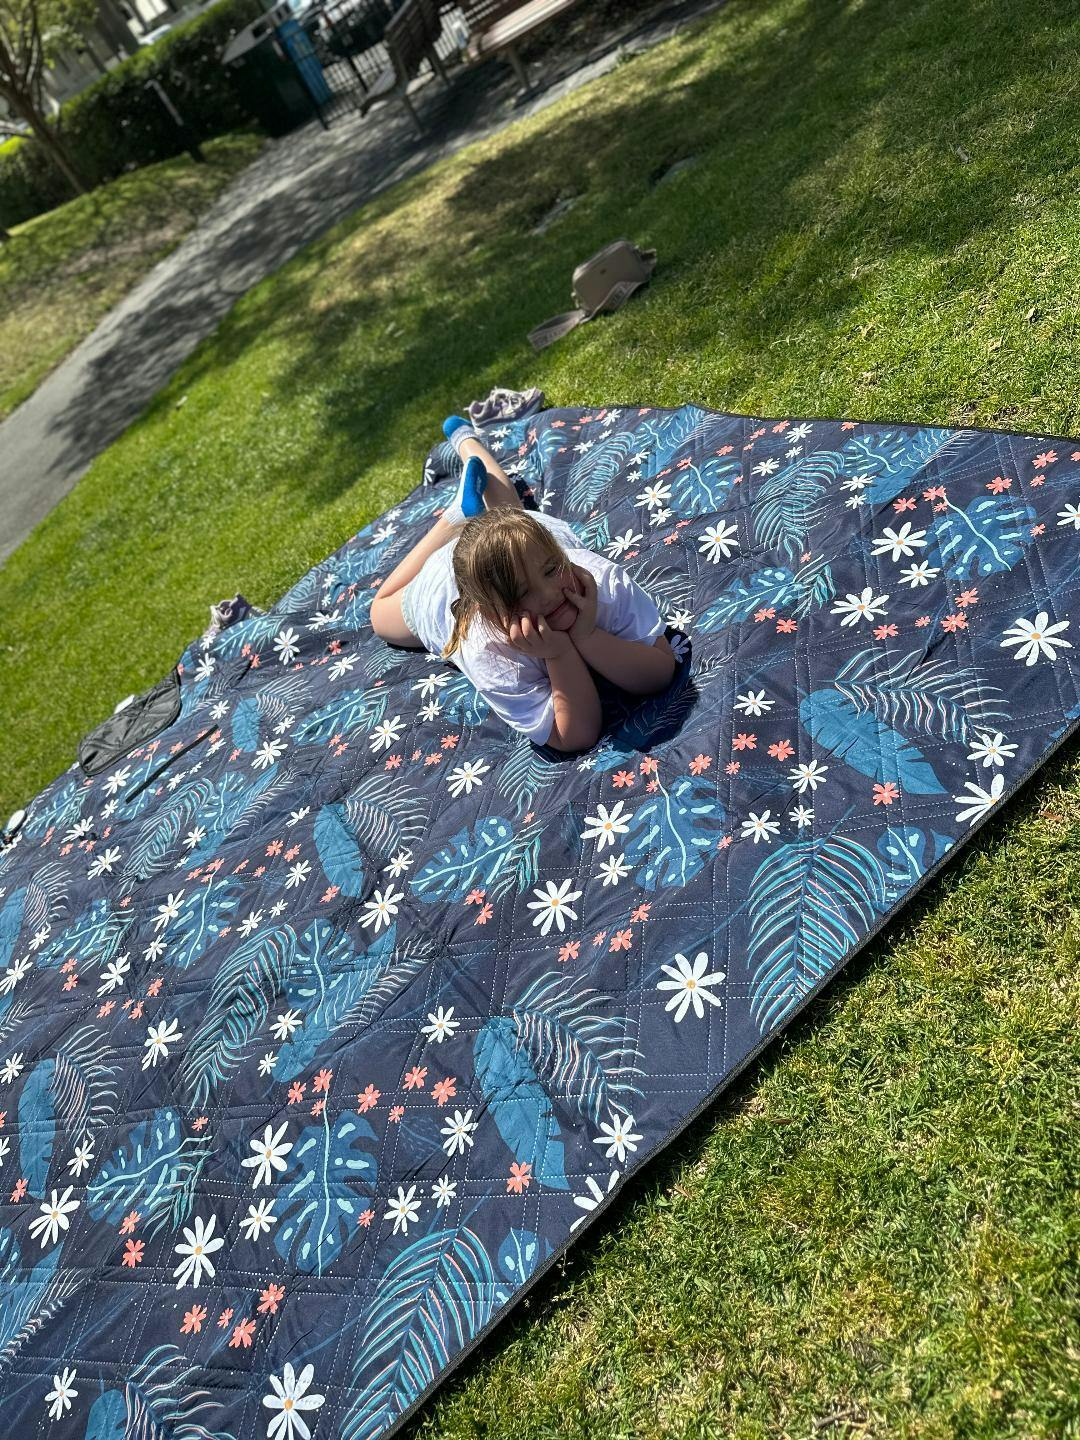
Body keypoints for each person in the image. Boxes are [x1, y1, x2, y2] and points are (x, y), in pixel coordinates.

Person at [369, 417, 677, 752]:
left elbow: (661, 671)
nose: (548, 596)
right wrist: (559, 653)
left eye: (552, 571)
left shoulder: (600, 580)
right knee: (379, 611)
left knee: (509, 517)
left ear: (558, 555)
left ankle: (465, 443)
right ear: (488, 611)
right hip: (443, 584)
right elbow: (574, 735)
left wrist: (588, 636)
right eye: (520, 593)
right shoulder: (488, 649)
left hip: (522, 543)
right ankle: (454, 518)